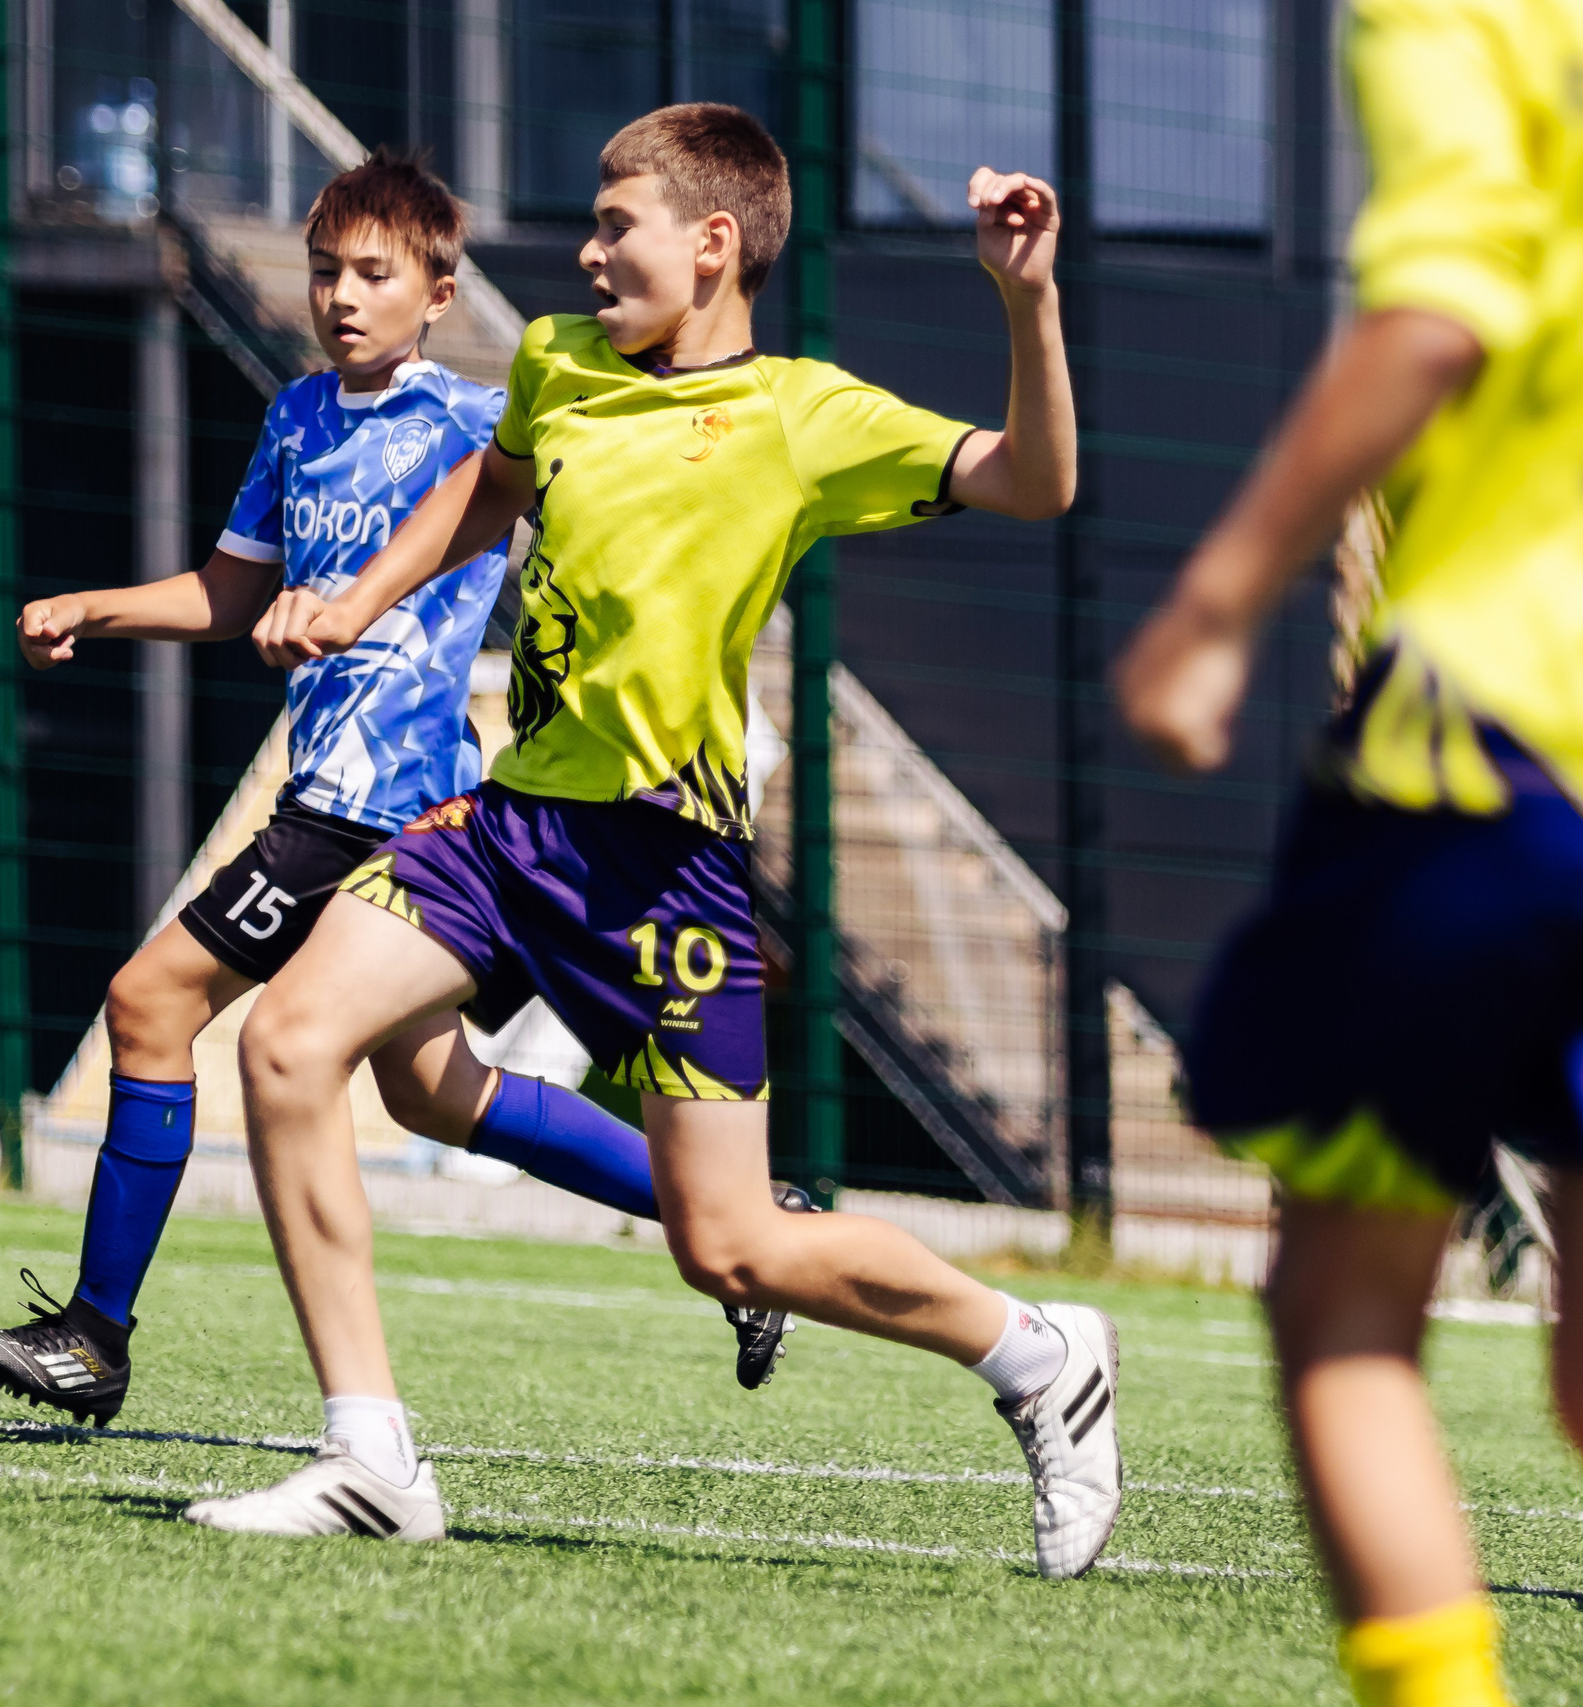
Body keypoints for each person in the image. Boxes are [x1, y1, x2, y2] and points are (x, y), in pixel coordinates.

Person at [181, 103, 1122, 1573]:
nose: (589, 247)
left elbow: (1037, 480)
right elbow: (479, 496)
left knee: (732, 1244)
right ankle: (370, 1450)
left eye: (618, 224)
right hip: (506, 825)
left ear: (714, 243)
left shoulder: (806, 415)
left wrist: (1029, 299)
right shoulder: (557, 362)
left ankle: (1038, 1350)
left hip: (661, 864)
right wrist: (358, 598)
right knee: (288, 1044)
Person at [1114, 0, 1583, 1698]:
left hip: (1487, 749)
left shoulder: (1468, 20)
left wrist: (1220, 599)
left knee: (1343, 1307)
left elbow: (1438, 317)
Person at [0, 151, 796, 1428]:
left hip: (376, 799)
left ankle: (94, 1335)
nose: (342, 295)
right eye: (324, 271)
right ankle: (759, 1231)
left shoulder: (475, 421)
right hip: (357, 802)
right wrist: (95, 608)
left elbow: (589, 500)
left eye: (374, 274)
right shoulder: (296, 418)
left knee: (148, 1002)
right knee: (431, 1089)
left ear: (438, 292)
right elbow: (233, 595)